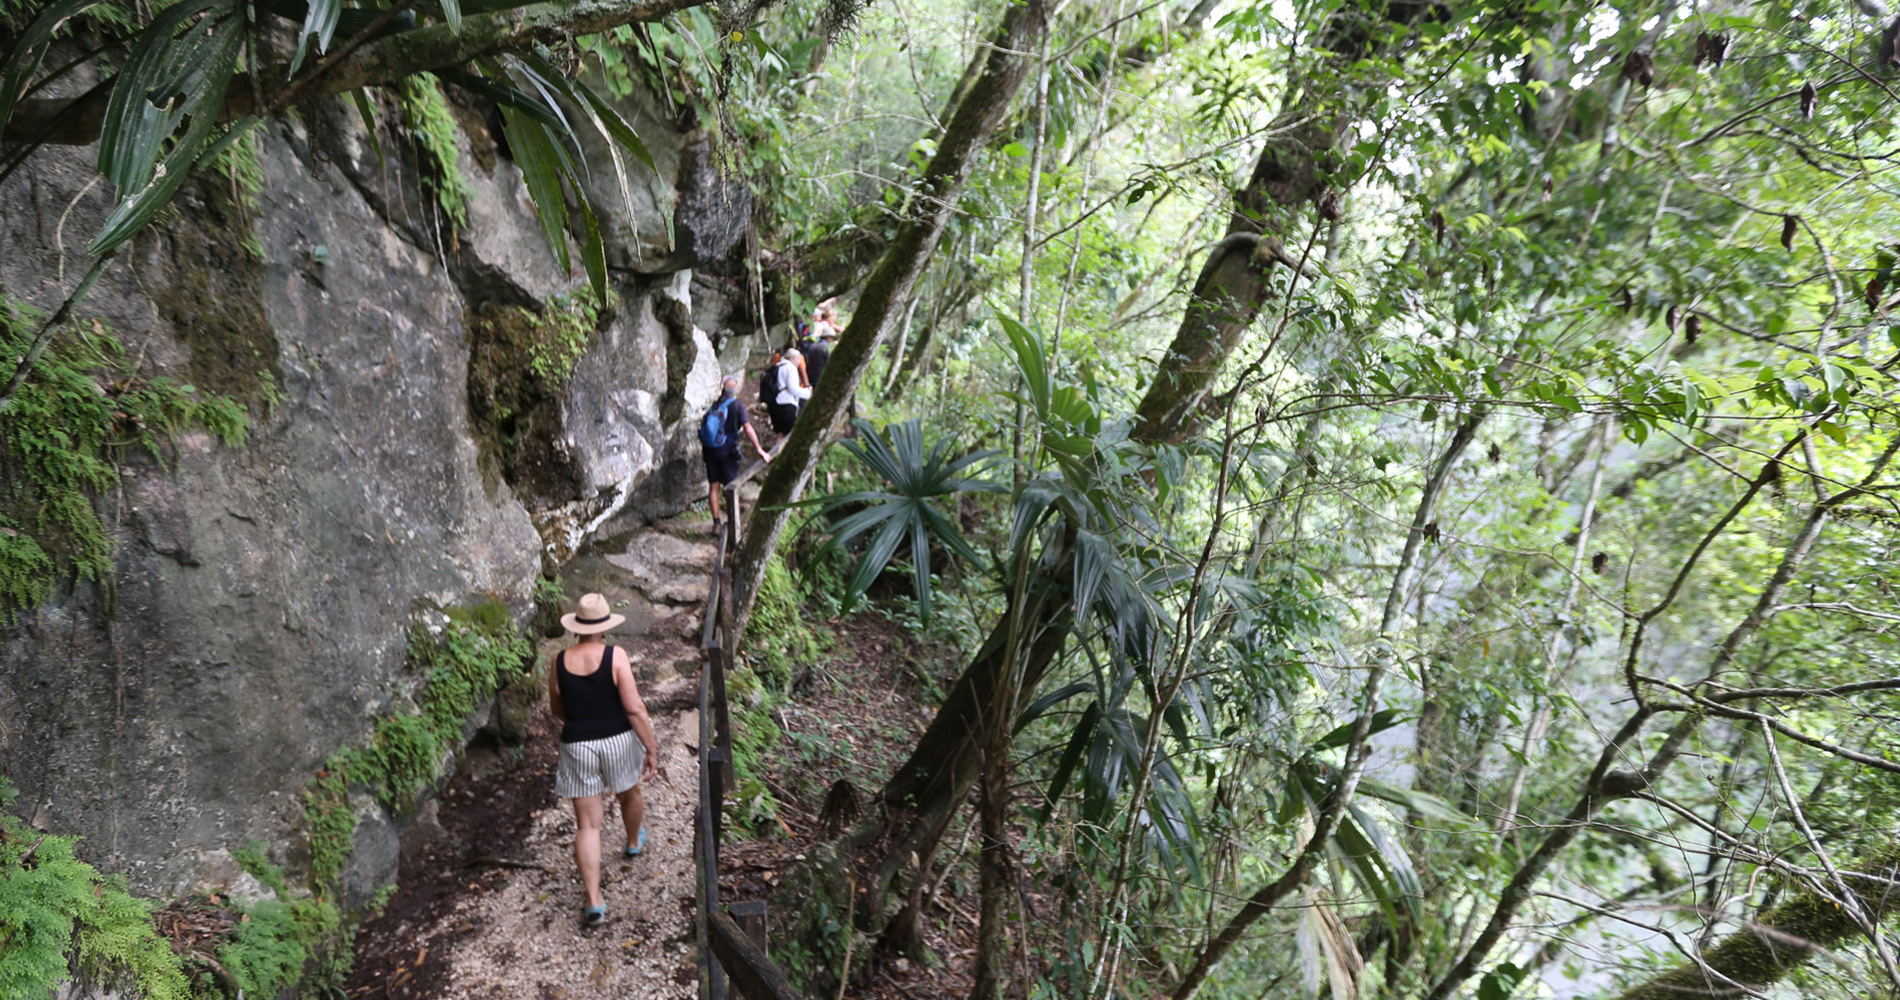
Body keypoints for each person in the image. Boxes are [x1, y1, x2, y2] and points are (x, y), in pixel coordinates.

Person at [547, 593, 660, 927]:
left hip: (578, 744)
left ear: (577, 627)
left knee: (588, 824)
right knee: (630, 793)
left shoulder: (557, 660)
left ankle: (594, 900)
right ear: (605, 626)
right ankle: (632, 842)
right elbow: (634, 708)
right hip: (618, 740)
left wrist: (581, 720)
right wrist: (650, 748)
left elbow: (557, 708)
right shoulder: (615, 656)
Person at [701, 374, 770, 526]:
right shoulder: (737, 406)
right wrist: (759, 449)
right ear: (734, 390)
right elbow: (747, 428)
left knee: (714, 486)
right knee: (731, 487)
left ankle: (717, 523)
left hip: (709, 450)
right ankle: (733, 524)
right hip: (727, 452)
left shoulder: (714, 405)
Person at [768, 347, 810, 435]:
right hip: (786, 405)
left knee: (780, 434)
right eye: (798, 359)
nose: (799, 362)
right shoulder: (791, 368)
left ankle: (777, 449)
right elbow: (793, 389)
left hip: (775, 404)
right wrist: (808, 393)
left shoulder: (778, 366)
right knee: (789, 434)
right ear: (791, 358)